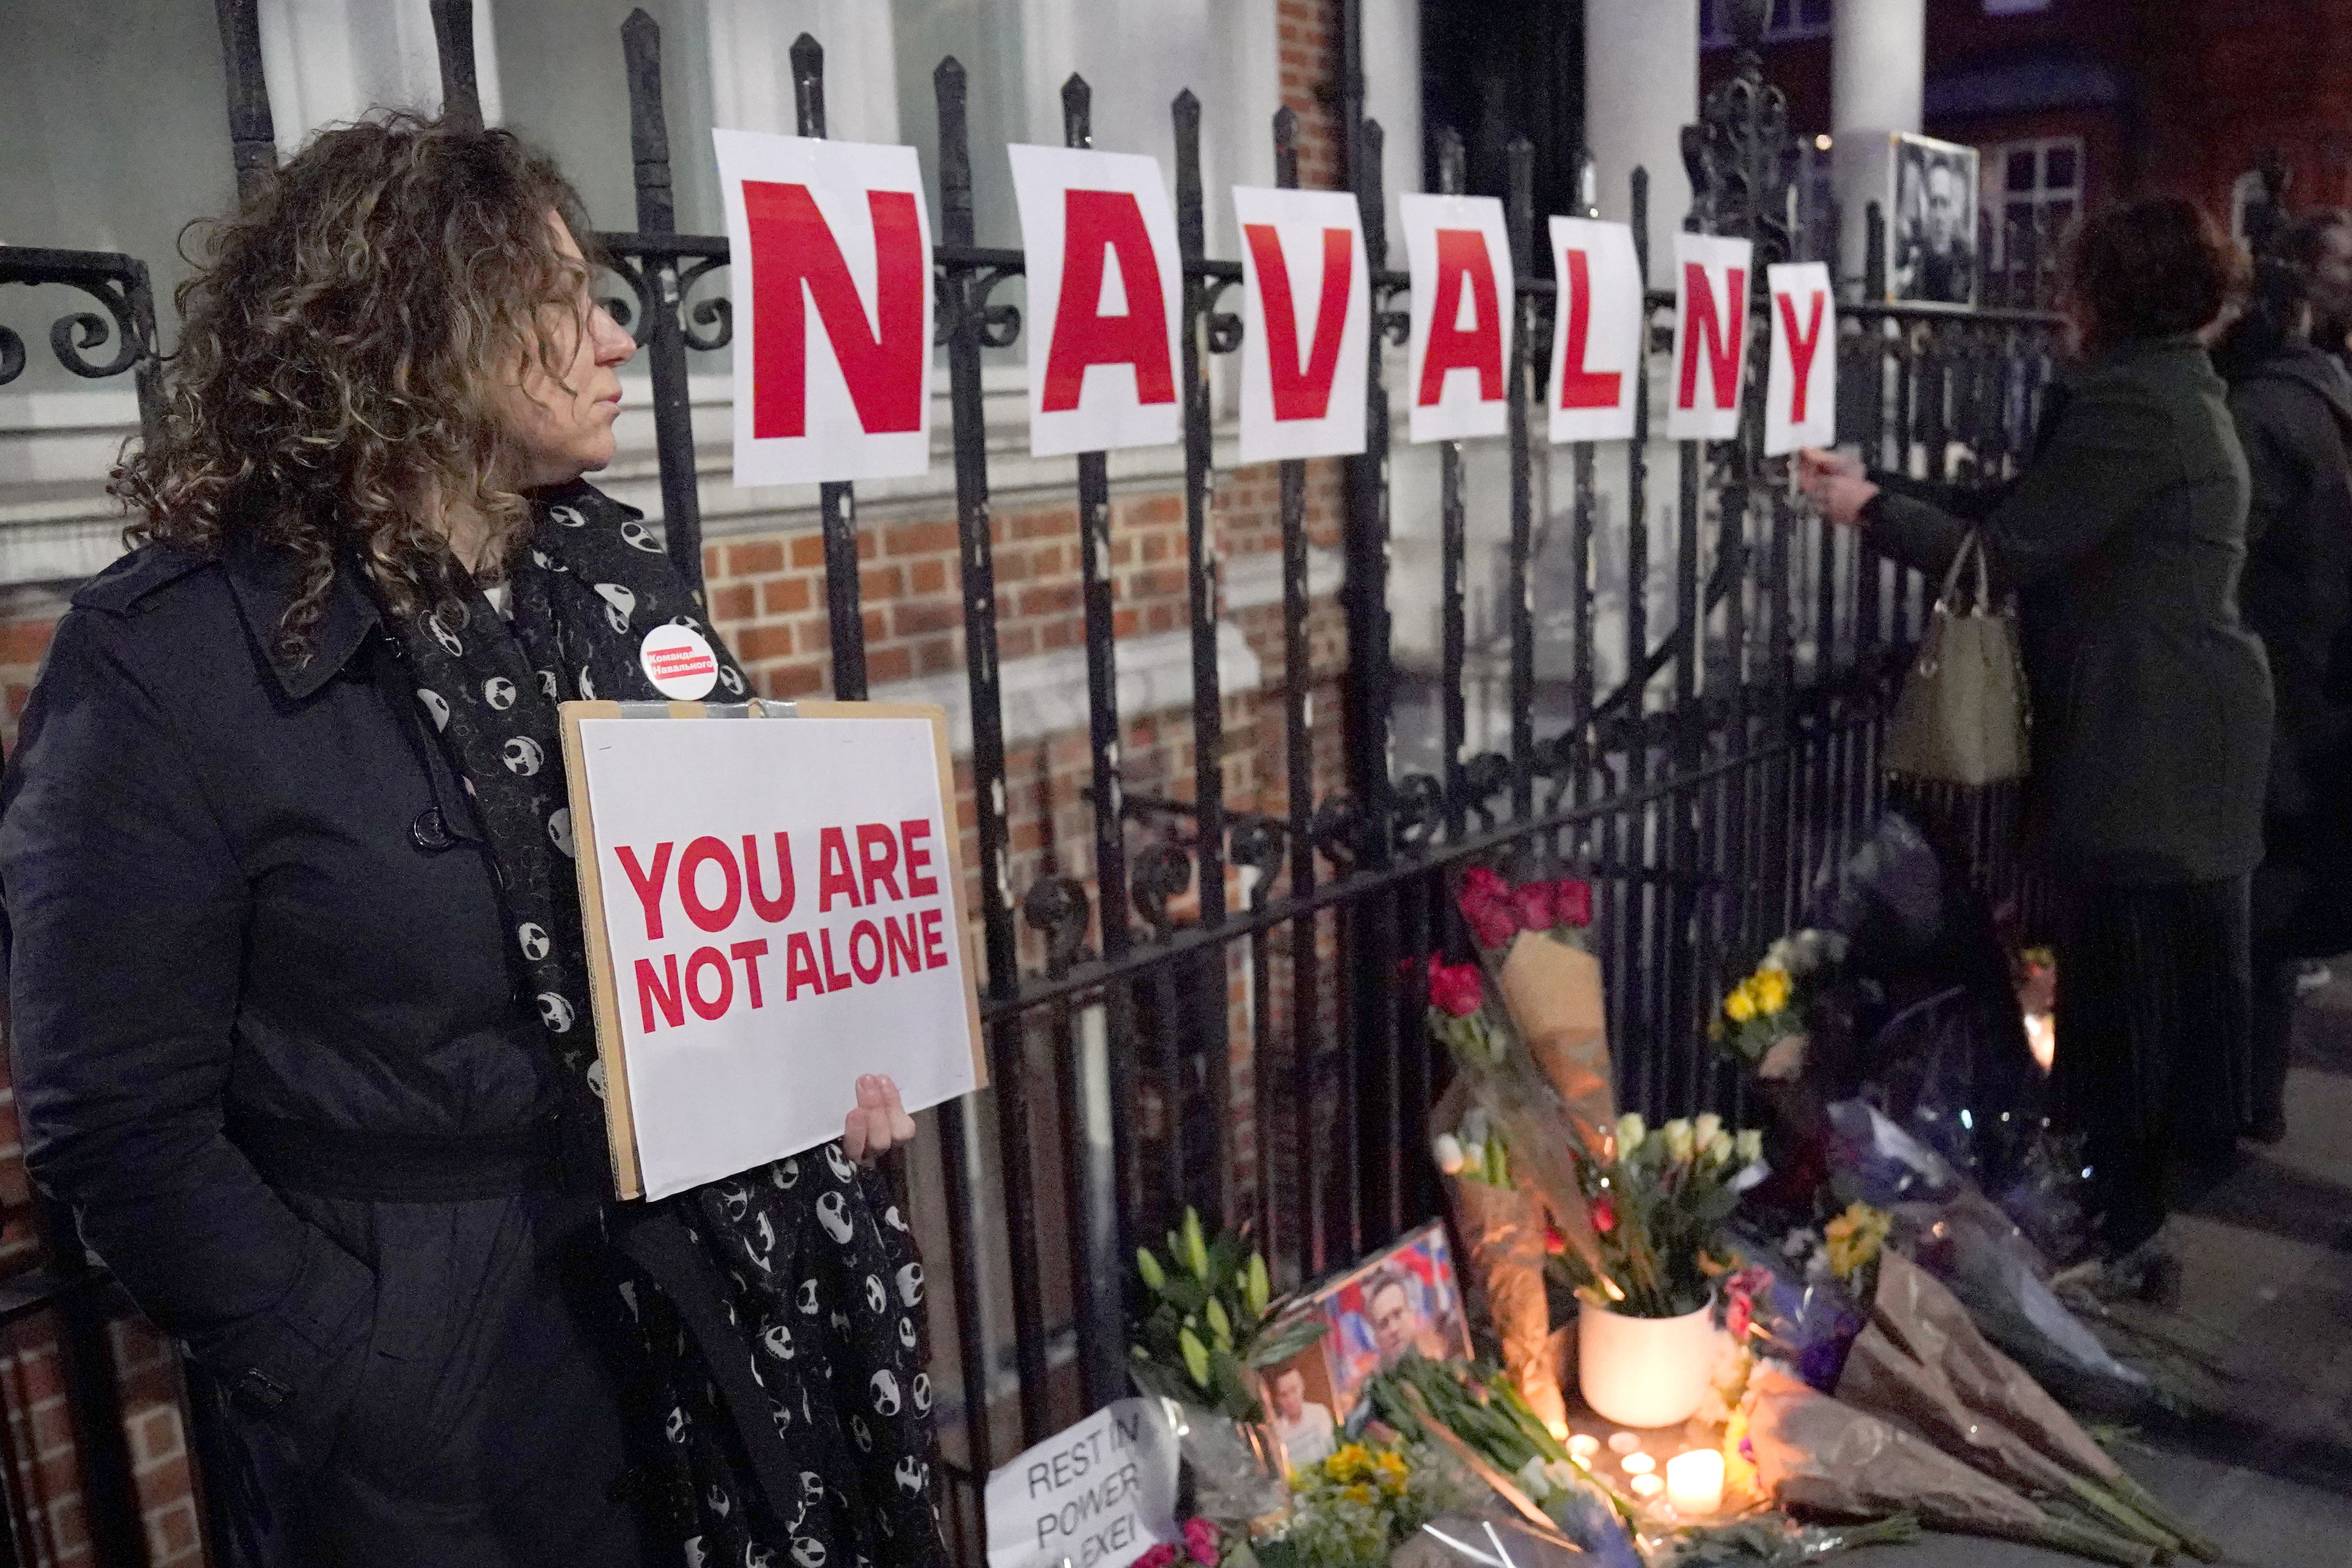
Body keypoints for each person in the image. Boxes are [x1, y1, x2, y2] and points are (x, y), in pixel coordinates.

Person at [0, 116, 938, 1567]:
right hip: (432, 1425)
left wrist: (822, 1068)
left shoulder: (614, 579)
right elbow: (113, 1121)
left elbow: (732, 935)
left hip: (686, 1328)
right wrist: (358, 1367)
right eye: (560, 298)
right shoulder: (169, 662)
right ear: (419, 338)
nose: (617, 337)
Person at [1799, 197, 2270, 1299]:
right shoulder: (2157, 391)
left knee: (2119, 994)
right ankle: (2120, 1218)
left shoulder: (2135, 406)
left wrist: (1867, 510)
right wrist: (1876, 491)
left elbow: (1996, 555)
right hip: (2162, 728)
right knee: (2122, 982)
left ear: (2112, 293)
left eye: (2073, 280)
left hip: (2148, 737)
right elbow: (2019, 509)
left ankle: (2121, 1231)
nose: (2056, 300)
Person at [2217, 218, 2352, 1143]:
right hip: (2312, 686)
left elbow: (2225, 552)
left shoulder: (2262, 416)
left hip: (2275, 687)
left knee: (2251, 910)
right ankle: (2249, 1095)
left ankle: (2234, 1101)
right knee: (2270, 905)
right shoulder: (2325, 399)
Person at [1267, 1366, 1337, 1471]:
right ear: (1277, 1399)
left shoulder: (1319, 1413)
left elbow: (1333, 1452)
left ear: (1302, 1387)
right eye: (1284, 1395)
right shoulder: (1276, 1433)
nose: (1291, 1400)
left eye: (1294, 1390)